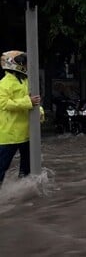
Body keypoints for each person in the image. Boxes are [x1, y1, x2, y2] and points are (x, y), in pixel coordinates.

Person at [0, 50, 42, 186]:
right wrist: (28, 102)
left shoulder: (26, 81)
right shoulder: (4, 83)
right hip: (9, 136)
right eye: (23, 62)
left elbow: (35, 101)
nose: (26, 65)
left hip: (26, 134)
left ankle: (25, 195)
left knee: (27, 170)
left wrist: (39, 112)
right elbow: (5, 104)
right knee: (2, 168)